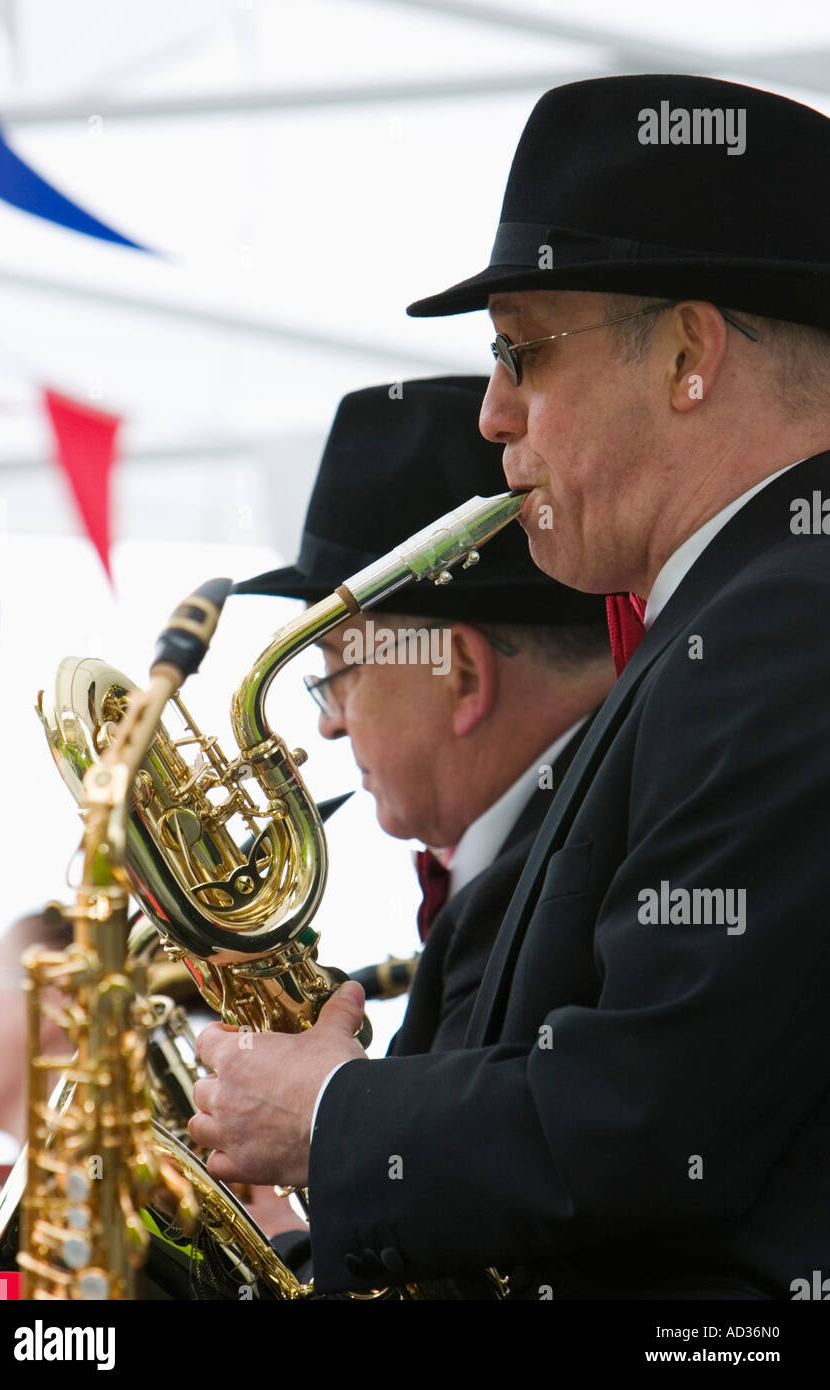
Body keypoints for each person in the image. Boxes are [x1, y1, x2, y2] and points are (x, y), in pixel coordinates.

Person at [189, 73, 830, 1300]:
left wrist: (327, 1111)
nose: (491, 414)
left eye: (521, 352)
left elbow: (641, 1118)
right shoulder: (749, 606)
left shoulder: (781, 617)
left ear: (688, 355)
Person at [232, 375, 612, 1246]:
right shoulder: (551, 850)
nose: (326, 722)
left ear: (465, 676)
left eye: (339, 667)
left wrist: (274, 1225)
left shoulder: (560, 874)